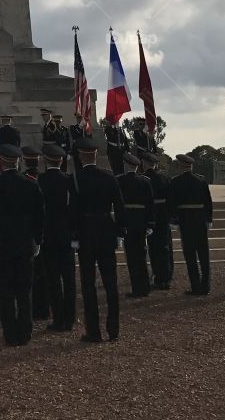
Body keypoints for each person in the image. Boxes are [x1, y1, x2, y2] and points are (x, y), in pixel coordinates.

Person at [0, 143, 44, 347]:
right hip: (24, 244)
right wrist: (38, 240)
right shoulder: (31, 183)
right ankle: (24, 332)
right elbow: (39, 216)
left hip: (0, 245)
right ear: (19, 161)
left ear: (1, 161)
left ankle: (10, 334)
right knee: (24, 290)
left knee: (4, 291)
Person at [75, 136, 125, 344]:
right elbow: (120, 207)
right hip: (106, 230)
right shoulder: (109, 177)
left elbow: (73, 212)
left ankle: (93, 331)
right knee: (110, 283)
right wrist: (120, 233)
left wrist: (74, 236)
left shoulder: (75, 179)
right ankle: (113, 328)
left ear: (80, 156)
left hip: (85, 232)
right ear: (96, 155)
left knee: (88, 285)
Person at [38, 141, 77, 332]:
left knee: (53, 279)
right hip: (66, 234)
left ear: (45, 161)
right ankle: (70, 317)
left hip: (48, 235)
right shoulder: (69, 180)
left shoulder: (40, 181)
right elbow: (74, 208)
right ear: (61, 161)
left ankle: (58, 318)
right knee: (69, 278)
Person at [171, 152, 213, 295]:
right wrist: (209, 219)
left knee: (190, 255)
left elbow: (173, 203)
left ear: (180, 166)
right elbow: (208, 202)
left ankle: (195, 286)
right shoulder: (201, 180)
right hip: (200, 219)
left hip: (185, 220)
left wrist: (174, 221)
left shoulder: (175, 181)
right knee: (203, 254)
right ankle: (205, 285)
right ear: (191, 166)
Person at [116, 152, 153, 298]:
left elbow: (118, 205)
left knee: (132, 257)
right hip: (142, 222)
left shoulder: (120, 180)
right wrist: (150, 223)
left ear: (126, 165)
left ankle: (137, 288)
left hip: (128, 222)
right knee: (142, 256)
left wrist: (119, 225)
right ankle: (145, 287)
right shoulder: (145, 181)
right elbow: (150, 204)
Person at [20, 147, 50, 321]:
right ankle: (46, 309)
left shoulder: (25, 181)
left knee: (33, 274)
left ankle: (34, 309)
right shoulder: (44, 179)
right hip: (47, 231)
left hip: (32, 234)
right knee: (47, 274)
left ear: (24, 161)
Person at [138, 149, 174, 289]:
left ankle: (160, 278)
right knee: (166, 247)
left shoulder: (144, 179)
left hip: (152, 217)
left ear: (144, 163)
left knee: (155, 248)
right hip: (164, 216)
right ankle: (167, 275)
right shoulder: (164, 177)